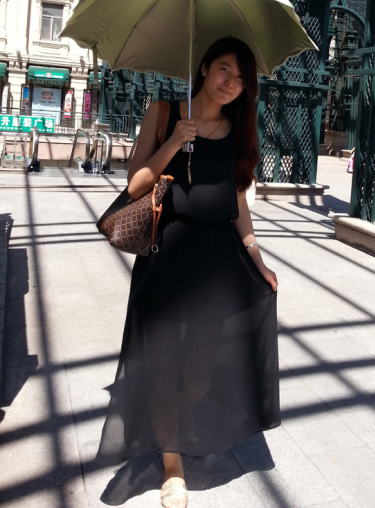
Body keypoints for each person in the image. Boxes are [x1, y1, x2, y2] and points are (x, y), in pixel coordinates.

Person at [96, 37, 280, 508]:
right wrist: (175, 141)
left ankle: (173, 421)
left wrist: (257, 259)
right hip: (167, 255)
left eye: (241, 78)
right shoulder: (163, 112)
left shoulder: (239, 130)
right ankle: (172, 464)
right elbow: (135, 184)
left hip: (216, 263)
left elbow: (238, 201)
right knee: (163, 368)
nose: (231, 83)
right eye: (224, 69)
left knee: (198, 374)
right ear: (203, 68)